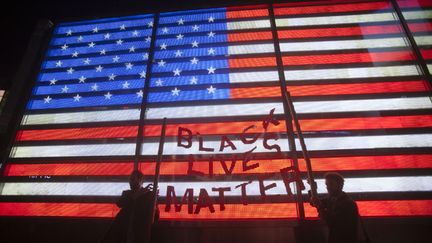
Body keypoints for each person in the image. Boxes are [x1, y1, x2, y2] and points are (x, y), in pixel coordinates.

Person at [100, 170, 159, 243]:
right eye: (130, 179)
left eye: (133, 179)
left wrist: (154, 201)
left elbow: (155, 216)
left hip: (139, 230)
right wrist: (139, 194)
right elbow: (120, 203)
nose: (130, 182)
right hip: (125, 230)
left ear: (140, 181)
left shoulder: (148, 195)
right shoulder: (127, 193)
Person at [310, 172, 360, 243]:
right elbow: (314, 202)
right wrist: (313, 189)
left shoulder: (347, 204)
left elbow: (331, 222)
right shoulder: (332, 199)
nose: (328, 187)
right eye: (327, 184)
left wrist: (320, 207)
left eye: (331, 184)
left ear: (340, 185)